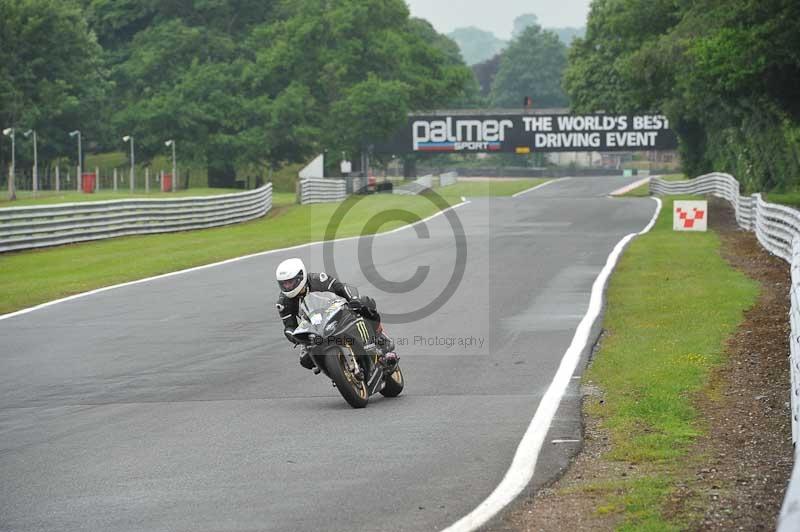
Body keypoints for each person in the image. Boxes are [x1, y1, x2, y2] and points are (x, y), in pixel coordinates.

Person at [275, 257, 398, 371]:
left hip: (337, 311)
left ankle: (380, 337)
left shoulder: (319, 279)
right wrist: (293, 336)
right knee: (305, 360)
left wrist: (353, 299)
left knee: (365, 303)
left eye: (290, 282)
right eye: (284, 283)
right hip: (314, 328)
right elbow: (289, 326)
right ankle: (335, 369)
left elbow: (341, 288)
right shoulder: (283, 302)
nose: (287, 286)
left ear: (301, 277)